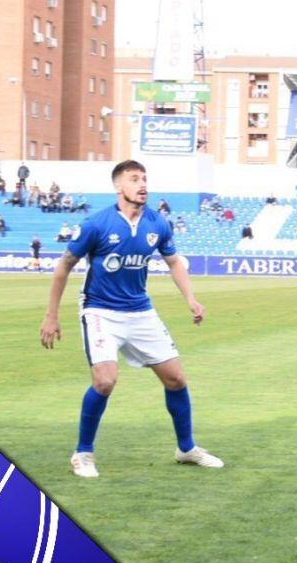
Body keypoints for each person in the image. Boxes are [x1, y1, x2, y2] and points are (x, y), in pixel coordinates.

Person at [39, 160, 223, 479]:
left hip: (140, 311)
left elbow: (174, 262)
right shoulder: (96, 224)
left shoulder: (158, 224)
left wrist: (191, 299)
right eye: (134, 179)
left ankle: (187, 448)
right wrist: (51, 315)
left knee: (176, 379)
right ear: (118, 186)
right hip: (100, 311)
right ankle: (83, 453)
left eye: (145, 179)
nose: (142, 185)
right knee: (105, 381)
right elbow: (64, 266)